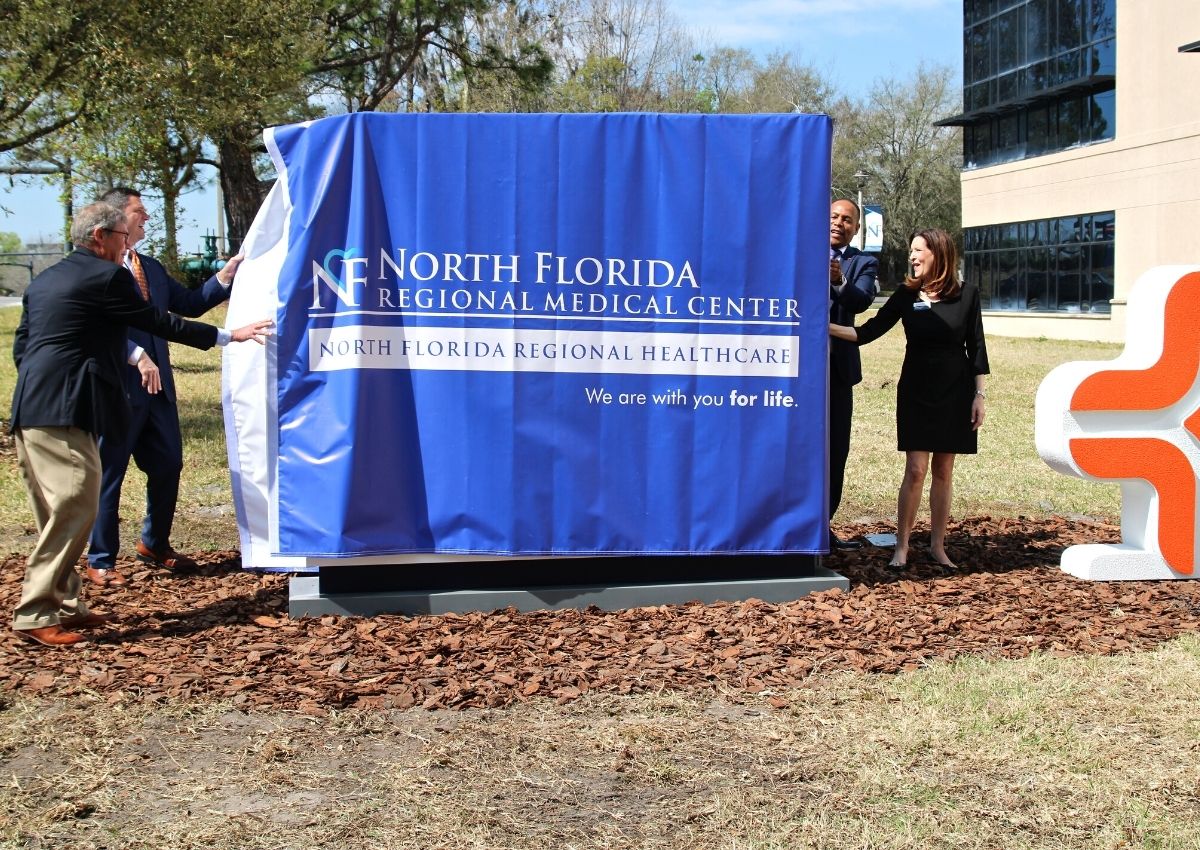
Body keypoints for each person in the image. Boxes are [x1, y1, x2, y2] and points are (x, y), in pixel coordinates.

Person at [9, 202, 273, 646]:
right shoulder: (109, 276)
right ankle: (36, 612)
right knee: (77, 503)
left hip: (31, 409)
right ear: (100, 237)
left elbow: (23, 346)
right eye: (122, 236)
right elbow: (155, 321)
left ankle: (66, 603)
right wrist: (228, 335)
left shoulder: (47, 278)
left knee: (57, 512)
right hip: (65, 412)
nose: (127, 243)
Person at [86, 187, 243, 586]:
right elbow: (90, 326)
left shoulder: (149, 267)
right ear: (117, 218)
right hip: (118, 389)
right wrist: (135, 353)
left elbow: (187, 305)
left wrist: (222, 277)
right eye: (140, 211)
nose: (146, 218)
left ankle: (154, 544)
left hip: (159, 392)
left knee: (168, 464)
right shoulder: (93, 269)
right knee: (110, 473)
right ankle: (101, 558)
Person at [829, 228, 988, 568]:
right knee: (916, 469)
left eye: (918, 251)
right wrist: (822, 326)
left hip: (956, 391)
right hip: (917, 388)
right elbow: (866, 332)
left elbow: (977, 349)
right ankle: (902, 546)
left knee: (944, 469)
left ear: (938, 254)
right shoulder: (906, 294)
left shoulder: (968, 294)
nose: (913, 257)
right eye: (912, 252)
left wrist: (979, 395)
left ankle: (937, 546)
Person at [827, 199, 880, 551]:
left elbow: (861, 302)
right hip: (791, 369)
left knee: (835, 449)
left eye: (847, 219)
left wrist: (839, 280)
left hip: (838, 371)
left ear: (856, 228)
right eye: (834, 216)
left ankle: (822, 525)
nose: (839, 223)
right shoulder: (797, 249)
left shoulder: (864, 261)